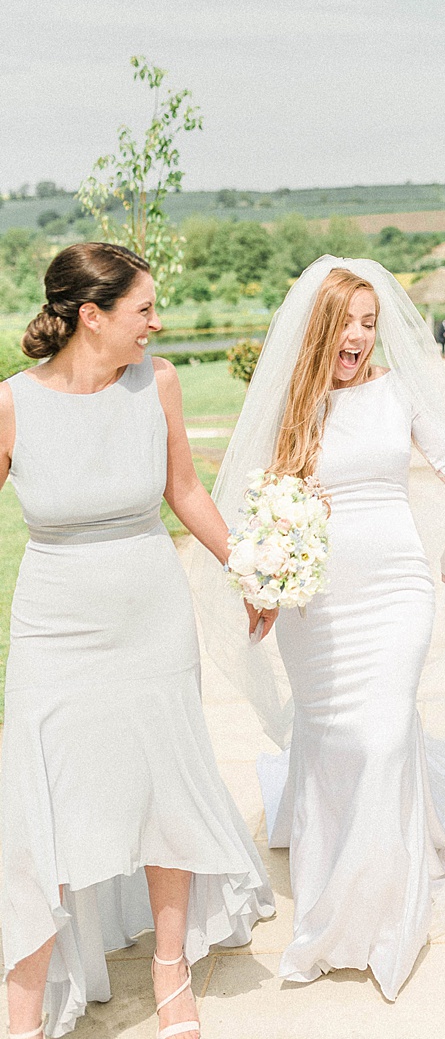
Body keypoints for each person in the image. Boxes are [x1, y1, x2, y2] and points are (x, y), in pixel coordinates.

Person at [188, 256, 445, 996]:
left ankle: (387, 913)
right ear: (320, 327)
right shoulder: (291, 401)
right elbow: (264, 502)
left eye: (371, 323)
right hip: (316, 600)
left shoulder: (399, 390)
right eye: (348, 321)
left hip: (397, 586)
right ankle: (328, 904)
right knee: (332, 739)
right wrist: (265, 581)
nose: (361, 336)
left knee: (379, 735)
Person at [0, 242, 273, 1039]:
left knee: (165, 782)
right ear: (92, 315)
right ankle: (23, 995)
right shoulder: (14, 403)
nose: (158, 322)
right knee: (36, 802)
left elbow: (183, 487)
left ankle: (170, 969)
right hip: (54, 625)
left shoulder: (158, 383)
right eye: (144, 309)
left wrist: (247, 568)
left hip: (151, 614)